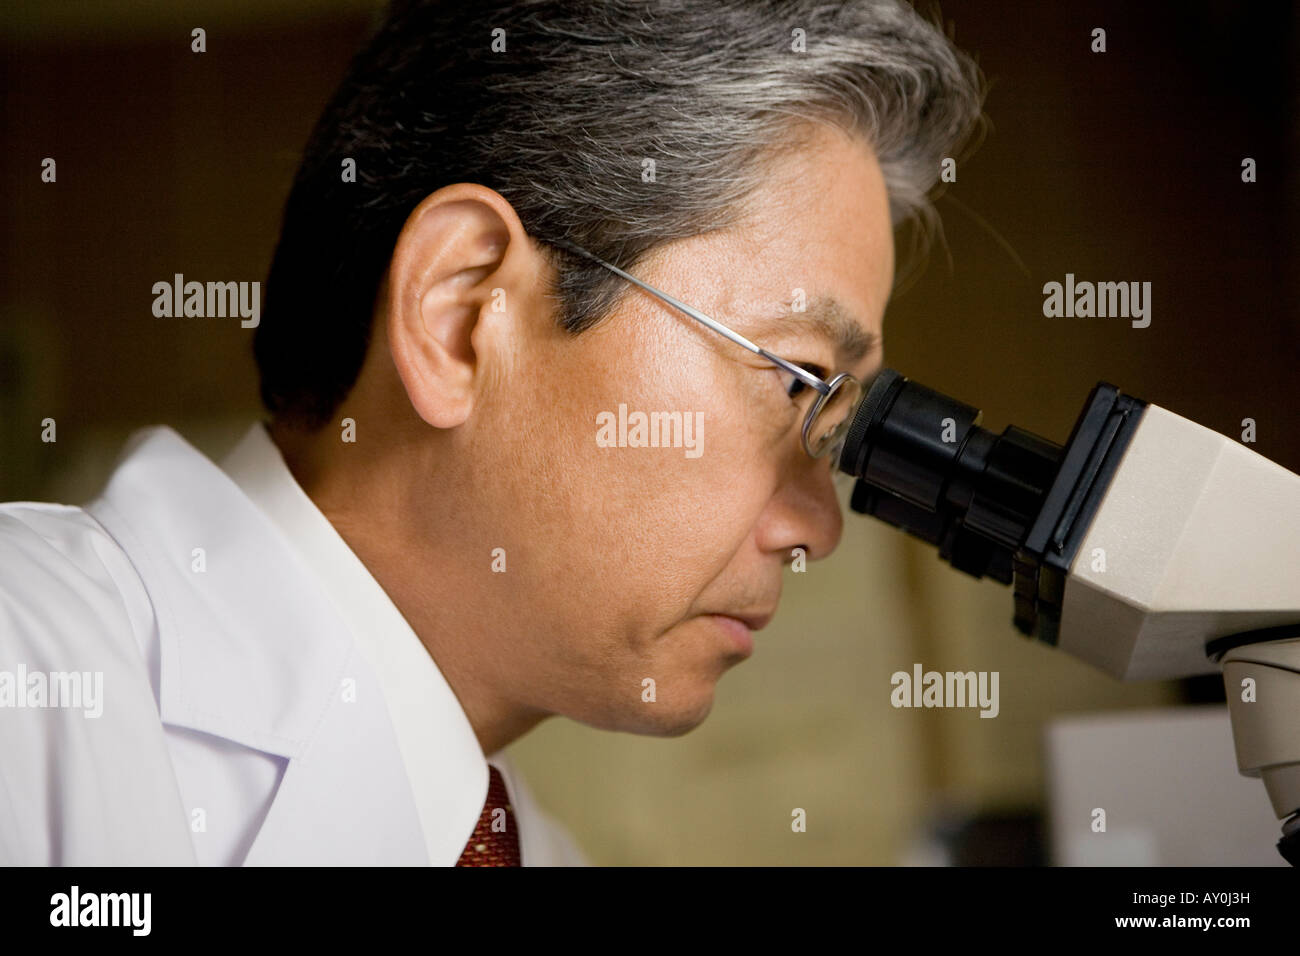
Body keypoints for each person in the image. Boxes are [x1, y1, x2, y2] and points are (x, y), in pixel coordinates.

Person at [0, 0, 983, 865]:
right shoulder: (32, 679)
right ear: (462, 316)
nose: (819, 525)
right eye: (797, 379)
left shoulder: (521, 846)